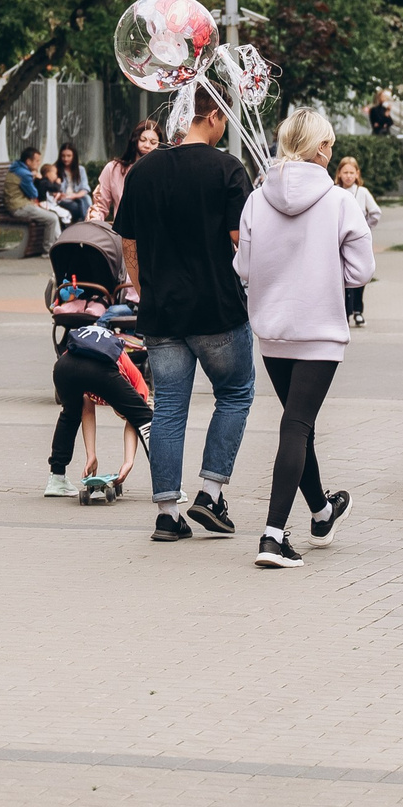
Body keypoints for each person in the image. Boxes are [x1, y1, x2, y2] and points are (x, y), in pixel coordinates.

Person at [234, 107, 375, 567]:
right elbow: (362, 271)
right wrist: (324, 272)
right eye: (330, 144)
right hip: (320, 331)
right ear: (320, 149)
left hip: (273, 331)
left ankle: (321, 512)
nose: (332, 151)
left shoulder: (257, 199)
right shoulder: (340, 201)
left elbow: (243, 267)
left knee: (299, 423)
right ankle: (272, 536)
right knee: (296, 425)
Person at [114, 98, 255, 542]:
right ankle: (210, 493)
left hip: (162, 312)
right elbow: (241, 240)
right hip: (218, 309)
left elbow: (128, 244)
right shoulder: (228, 169)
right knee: (235, 393)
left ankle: (167, 514)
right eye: (224, 118)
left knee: (170, 408)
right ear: (212, 116)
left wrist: (146, 292)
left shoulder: (143, 171)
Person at [44, 321, 153, 499]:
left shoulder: (106, 381)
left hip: (63, 366)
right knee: (146, 418)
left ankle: (57, 478)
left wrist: (91, 455)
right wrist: (128, 462)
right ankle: (166, 485)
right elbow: (137, 420)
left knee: (70, 414)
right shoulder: (137, 383)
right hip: (97, 368)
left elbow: (86, 410)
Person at [335, 153, 381, 325]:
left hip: (357, 242)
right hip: (340, 242)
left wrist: (365, 228)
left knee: (358, 275)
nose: (348, 176)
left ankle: (358, 310)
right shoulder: (335, 191)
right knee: (341, 277)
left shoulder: (362, 192)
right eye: (345, 172)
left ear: (357, 174)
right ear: (339, 174)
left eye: (351, 173)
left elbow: (375, 212)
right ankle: (345, 311)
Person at [0, 141, 59, 259]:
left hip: (16, 205)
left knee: (52, 215)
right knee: (52, 218)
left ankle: (58, 246)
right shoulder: (25, 174)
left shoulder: (16, 168)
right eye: (37, 161)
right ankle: (48, 251)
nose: (39, 163)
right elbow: (33, 194)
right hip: (20, 207)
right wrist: (35, 178)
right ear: (28, 161)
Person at [90, 121, 159, 224]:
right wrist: (94, 224)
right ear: (134, 140)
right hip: (122, 232)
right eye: (143, 140)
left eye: (153, 142)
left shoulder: (163, 172)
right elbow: (99, 206)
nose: (147, 145)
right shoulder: (113, 169)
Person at [54, 143, 92, 222]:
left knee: (86, 198)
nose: (65, 159)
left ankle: (86, 222)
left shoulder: (80, 169)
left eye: (69, 156)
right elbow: (51, 188)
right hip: (63, 200)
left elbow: (85, 188)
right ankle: (87, 223)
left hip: (77, 197)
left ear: (74, 156)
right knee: (78, 207)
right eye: (63, 156)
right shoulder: (55, 169)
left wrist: (74, 196)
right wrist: (59, 194)